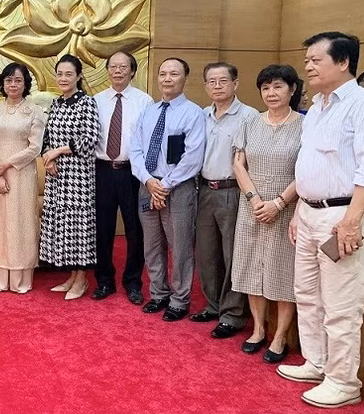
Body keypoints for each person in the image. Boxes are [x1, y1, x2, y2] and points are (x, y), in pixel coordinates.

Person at [278, 32, 364, 409]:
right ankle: (317, 361)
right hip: (308, 211)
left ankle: (342, 380)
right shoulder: (318, 106)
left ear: (343, 62)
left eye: (316, 60)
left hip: (340, 216)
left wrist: (351, 221)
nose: (307, 66)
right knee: (307, 293)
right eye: (307, 60)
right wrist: (300, 209)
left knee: (340, 303)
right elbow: (312, 163)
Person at [231, 65, 303, 363]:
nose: (271, 93)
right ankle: (259, 329)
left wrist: (279, 203)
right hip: (252, 207)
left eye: (278, 87)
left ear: (292, 89)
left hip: (287, 209)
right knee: (250, 266)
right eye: (265, 88)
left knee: (283, 271)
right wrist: (255, 199)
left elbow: (307, 170)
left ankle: (280, 336)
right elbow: (238, 163)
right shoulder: (250, 122)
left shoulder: (305, 125)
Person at [131, 57, 205, 321]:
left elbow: (193, 157)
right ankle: (158, 293)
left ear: (185, 77)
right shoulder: (149, 112)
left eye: (173, 74)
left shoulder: (193, 113)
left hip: (178, 188)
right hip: (147, 184)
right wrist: (149, 181)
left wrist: (165, 185)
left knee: (180, 245)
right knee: (151, 244)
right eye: (162, 73)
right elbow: (136, 149)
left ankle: (179, 299)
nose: (167, 78)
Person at [190, 62, 258, 338]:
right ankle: (213, 304)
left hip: (233, 191)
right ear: (205, 85)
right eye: (211, 82)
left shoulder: (249, 116)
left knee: (233, 254)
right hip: (204, 190)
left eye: (223, 81)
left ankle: (233, 314)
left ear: (235, 83)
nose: (217, 86)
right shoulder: (202, 115)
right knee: (207, 253)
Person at [92, 51, 152, 304]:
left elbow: (150, 141)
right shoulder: (95, 101)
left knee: (135, 230)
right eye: (113, 67)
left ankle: (133, 282)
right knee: (102, 229)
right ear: (107, 71)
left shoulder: (145, 101)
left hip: (132, 172)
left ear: (132, 71)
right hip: (101, 170)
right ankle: (104, 281)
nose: (117, 71)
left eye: (123, 67)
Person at [40, 54, 100, 300]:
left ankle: (83, 279)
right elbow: (46, 139)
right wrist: (49, 157)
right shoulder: (55, 104)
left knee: (79, 226)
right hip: (56, 177)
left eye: (68, 74)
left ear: (78, 76)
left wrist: (59, 151)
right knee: (64, 226)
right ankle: (73, 275)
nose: (63, 78)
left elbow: (89, 139)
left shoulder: (86, 103)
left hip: (79, 176)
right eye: (60, 74)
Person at [0, 62, 46, 294]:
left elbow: (34, 148)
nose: (13, 84)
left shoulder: (35, 111)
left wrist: (6, 165)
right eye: (9, 80)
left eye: (18, 80)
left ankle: (21, 279)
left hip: (23, 174)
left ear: (25, 83)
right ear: (3, 83)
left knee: (21, 224)